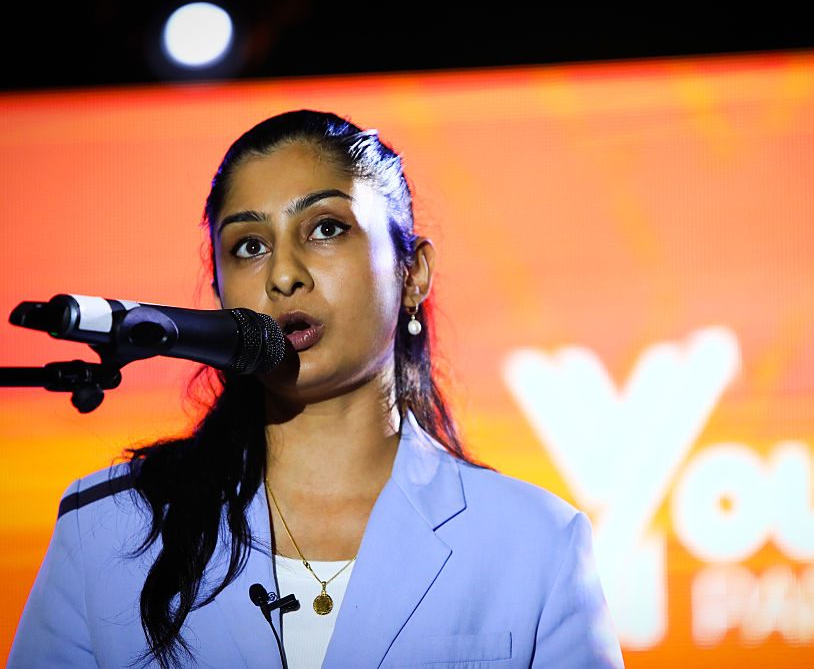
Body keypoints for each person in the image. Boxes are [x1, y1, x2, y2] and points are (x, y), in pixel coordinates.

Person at [9, 109, 625, 668]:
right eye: (250, 246)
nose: (283, 275)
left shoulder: (534, 542)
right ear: (220, 291)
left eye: (326, 229)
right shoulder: (105, 525)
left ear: (413, 272)